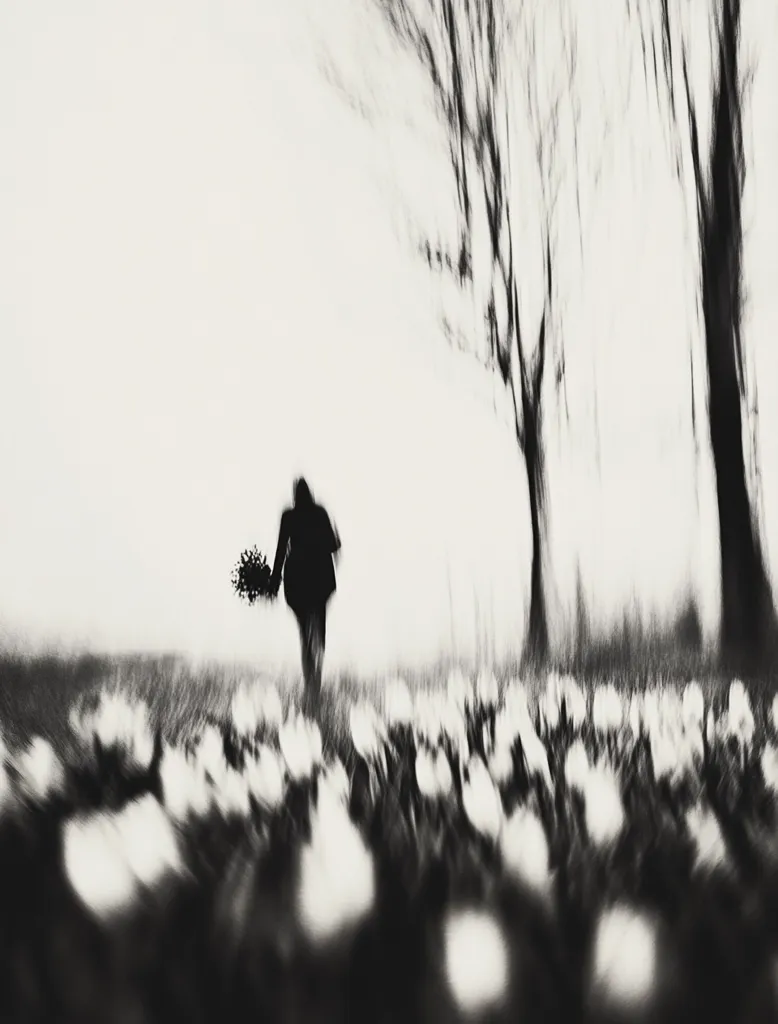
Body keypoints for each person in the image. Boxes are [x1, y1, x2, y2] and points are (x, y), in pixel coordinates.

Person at [269, 478, 341, 716]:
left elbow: (281, 548)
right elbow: (332, 545)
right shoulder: (319, 513)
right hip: (319, 583)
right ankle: (315, 684)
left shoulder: (289, 517)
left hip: (297, 584)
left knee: (304, 636)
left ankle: (310, 682)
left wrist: (273, 581)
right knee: (318, 633)